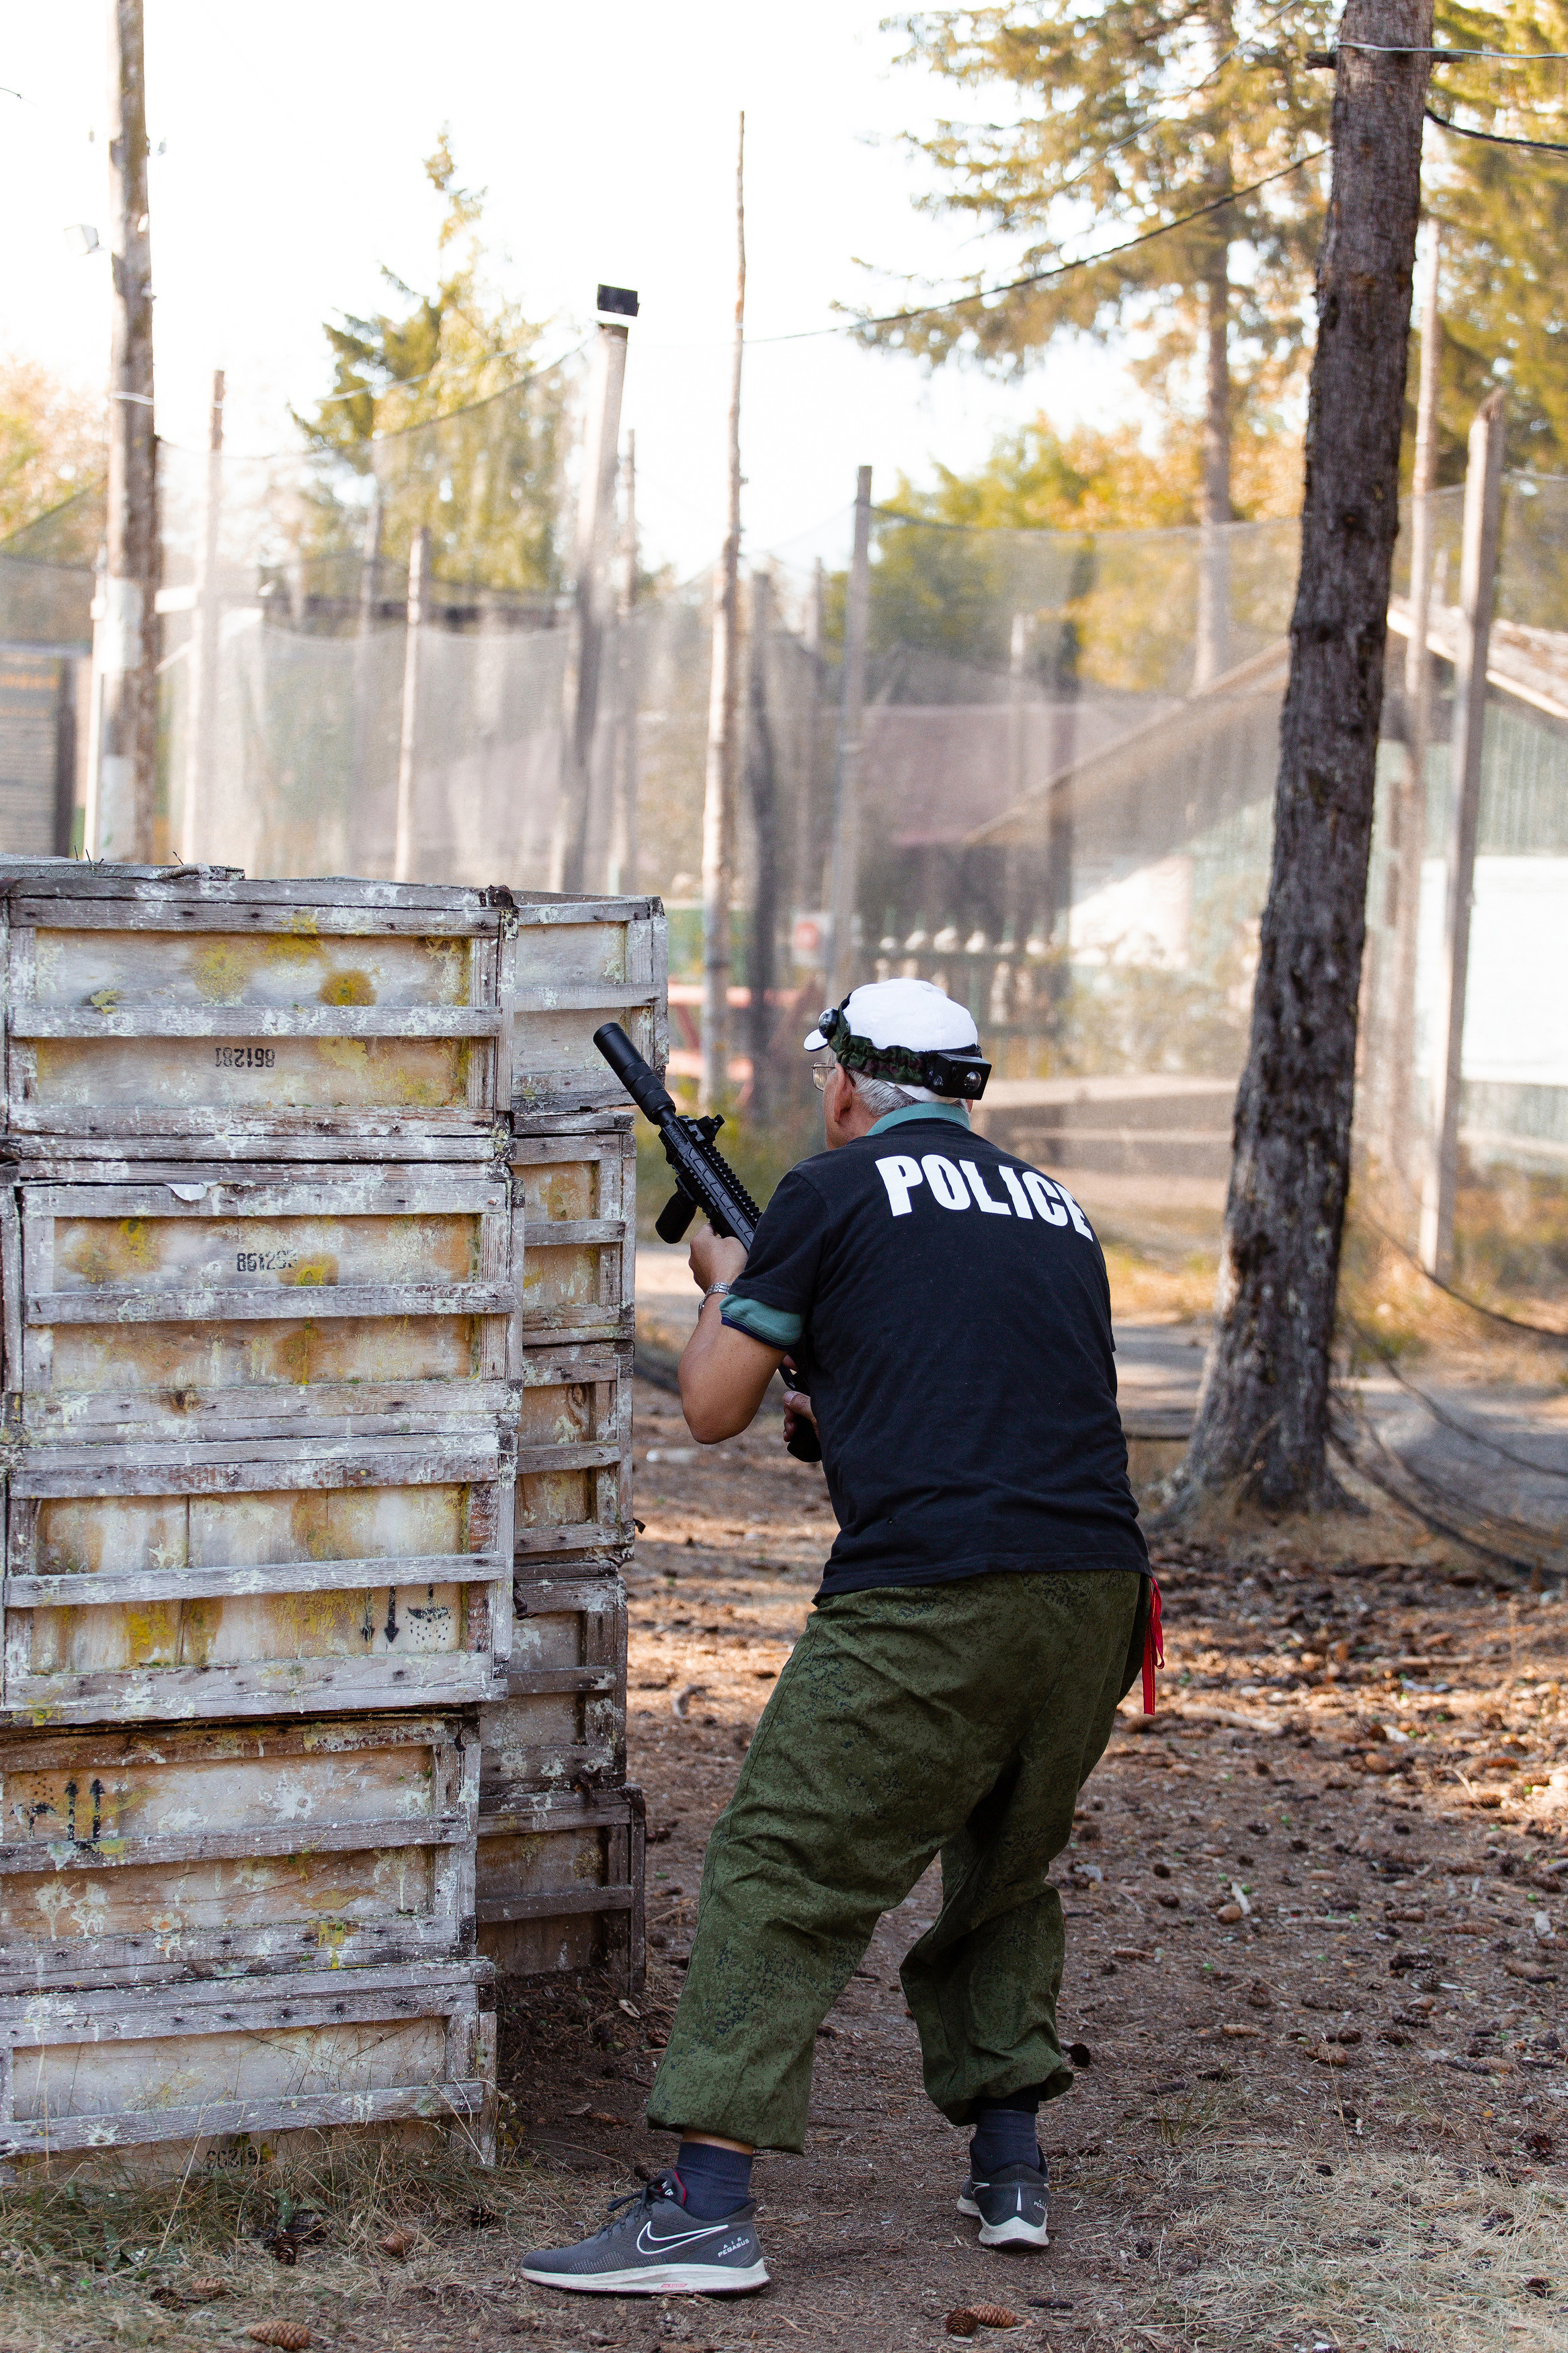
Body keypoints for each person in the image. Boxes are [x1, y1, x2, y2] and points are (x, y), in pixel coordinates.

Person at [524, 978, 1155, 2299]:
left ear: (855, 1086)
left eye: (827, 1081)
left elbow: (706, 1407)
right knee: (1004, 1862)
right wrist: (827, 1386)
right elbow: (991, 1394)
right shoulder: (1058, 1212)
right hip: (1097, 1594)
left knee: (781, 1862)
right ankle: (1010, 2165)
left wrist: (733, 1286)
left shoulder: (826, 1197)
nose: (825, 1100)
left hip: (934, 1591)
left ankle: (703, 2211)